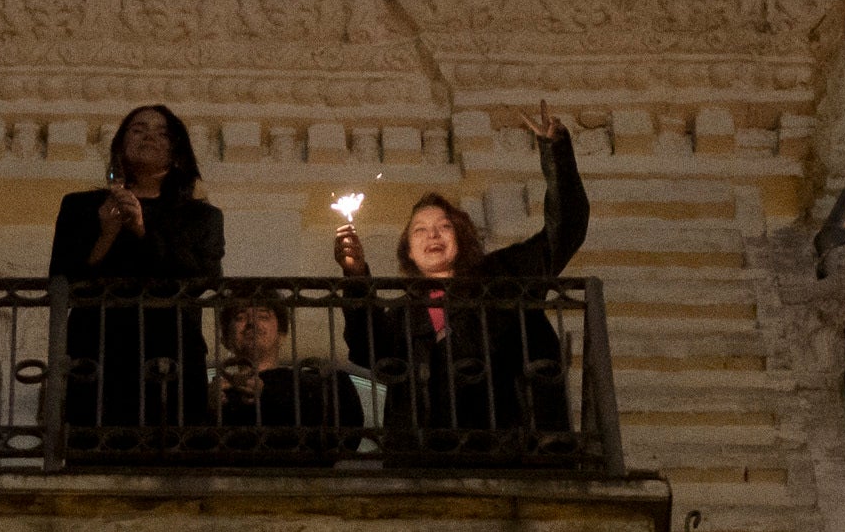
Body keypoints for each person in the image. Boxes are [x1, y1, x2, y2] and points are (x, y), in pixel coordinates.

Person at [332, 107, 590, 462]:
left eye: (443, 226)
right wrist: (356, 275)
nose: (432, 235)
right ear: (408, 249)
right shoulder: (403, 314)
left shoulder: (503, 278)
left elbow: (565, 231)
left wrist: (556, 153)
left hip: (507, 451)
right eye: (419, 230)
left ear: (462, 235)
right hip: (426, 460)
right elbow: (365, 348)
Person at [49, 103, 220, 460]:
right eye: (138, 129)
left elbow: (201, 278)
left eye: (161, 133)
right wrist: (105, 235)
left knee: (174, 459)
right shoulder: (82, 207)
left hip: (171, 352)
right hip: (98, 350)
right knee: (96, 459)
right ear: (120, 145)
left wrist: (142, 229)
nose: (149, 137)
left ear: (177, 152)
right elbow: (62, 279)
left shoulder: (199, 216)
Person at [201, 288, 358, 467]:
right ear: (226, 339)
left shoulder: (314, 385)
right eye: (240, 317)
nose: (252, 323)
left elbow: (343, 432)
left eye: (263, 316)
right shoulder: (210, 395)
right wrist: (210, 409)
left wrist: (270, 393)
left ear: (282, 334)